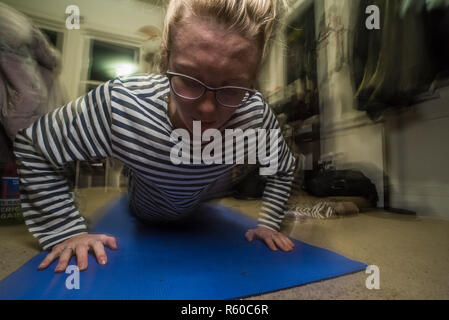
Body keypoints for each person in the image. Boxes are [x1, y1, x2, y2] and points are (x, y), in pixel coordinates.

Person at [13, 0, 296, 273]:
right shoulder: (122, 104)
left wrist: (269, 223)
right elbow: (35, 146)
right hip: (145, 206)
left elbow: (283, 168)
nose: (207, 109)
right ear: (165, 57)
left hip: (204, 203)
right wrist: (65, 232)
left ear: (253, 78)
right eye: (188, 78)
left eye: (232, 87)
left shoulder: (254, 115)